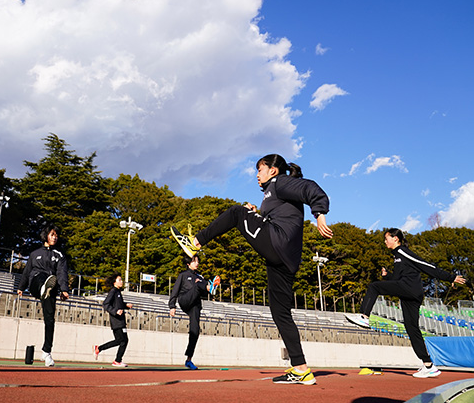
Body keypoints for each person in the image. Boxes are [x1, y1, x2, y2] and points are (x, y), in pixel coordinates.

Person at [173, 154, 332, 384]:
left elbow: (310, 188)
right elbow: (278, 217)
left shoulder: (281, 183)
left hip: (278, 244)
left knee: (236, 212)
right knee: (280, 313)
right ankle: (301, 369)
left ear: (273, 171)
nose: (257, 174)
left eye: (260, 169)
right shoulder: (272, 195)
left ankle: (195, 242)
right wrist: (256, 214)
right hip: (285, 259)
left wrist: (319, 214)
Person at [345, 228, 466, 378]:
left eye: (386, 238)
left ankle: (364, 316)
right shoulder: (397, 258)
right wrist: (387, 276)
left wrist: (450, 277)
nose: (385, 241)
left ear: (395, 238)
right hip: (409, 294)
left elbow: (426, 265)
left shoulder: (403, 251)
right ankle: (429, 365)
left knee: (373, 286)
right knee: (412, 329)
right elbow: (397, 281)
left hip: (411, 290)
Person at [17, 223, 70, 367]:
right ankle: (43, 286)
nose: (55, 237)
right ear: (46, 235)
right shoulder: (35, 254)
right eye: (52, 234)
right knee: (40, 276)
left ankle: (47, 352)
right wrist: (21, 287)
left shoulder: (59, 255)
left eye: (56, 235)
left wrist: (64, 289)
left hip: (50, 289)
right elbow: (27, 272)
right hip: (35, 282)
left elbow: (62, 273)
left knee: (50, 320)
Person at [168, 254, 220, 370]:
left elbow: (202, 293)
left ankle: (189, 359)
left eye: (197, 261)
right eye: (194, 261)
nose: (197, 263)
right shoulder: (183, 275)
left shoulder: (199, 276)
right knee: (198, 285)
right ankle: (210, 286)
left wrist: (205, 288)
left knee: (195, 331)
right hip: (185, 299)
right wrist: (172, 306)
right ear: (188, 263)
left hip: (195, 305)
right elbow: (175, 291)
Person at [94, 273, 133, 367]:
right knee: (122, 340)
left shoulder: (118, 292)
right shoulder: (113, 291)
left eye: (121, 280)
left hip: (120, 320)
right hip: (116, 321)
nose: (121, 281)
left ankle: (104, 352)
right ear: (114, 282)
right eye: (119, 280)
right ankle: (114, 359)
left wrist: (126, 306)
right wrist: (115, 311)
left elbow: (118, 304)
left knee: (122, 340)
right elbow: (106, 304)